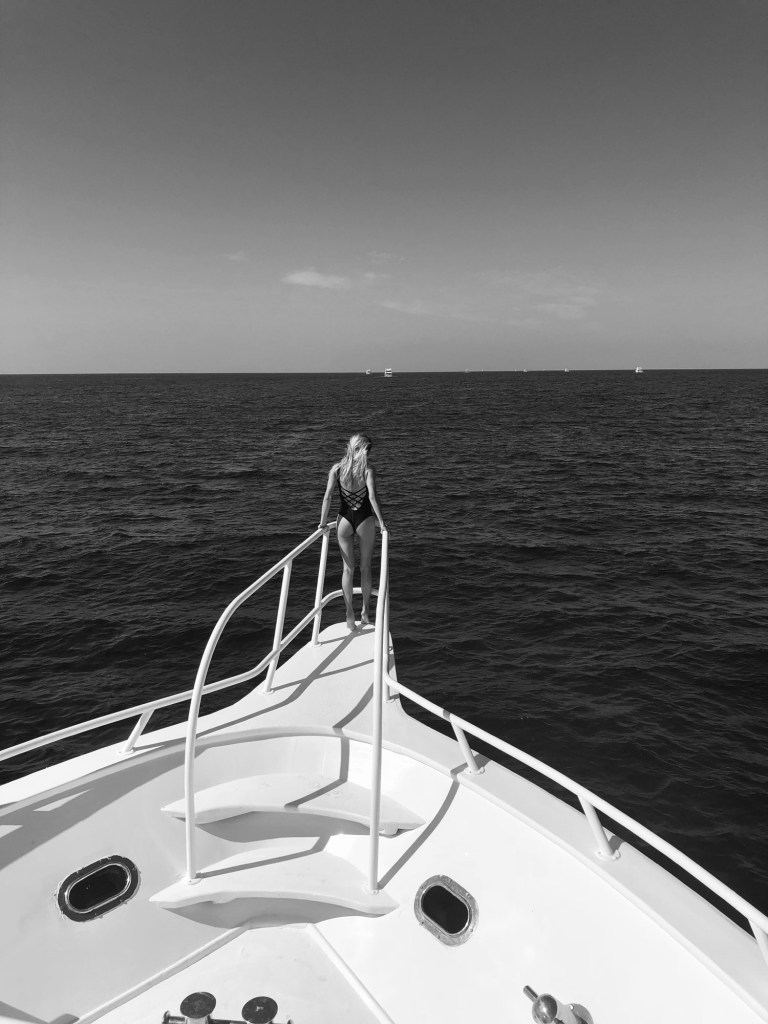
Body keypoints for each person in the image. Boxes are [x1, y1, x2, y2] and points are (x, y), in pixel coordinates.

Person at [318, 433, 386, 631]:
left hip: (344, 521)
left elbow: (327, 497)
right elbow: (372, 497)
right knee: (365, 568)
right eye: (368, 449)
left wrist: (322, 522)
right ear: (363, 450)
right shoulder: (368, 470)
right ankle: (365, 611)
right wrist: (382, 523)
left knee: (348, 570)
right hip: (365, 520)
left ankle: (349, 613)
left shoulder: (337, 469)